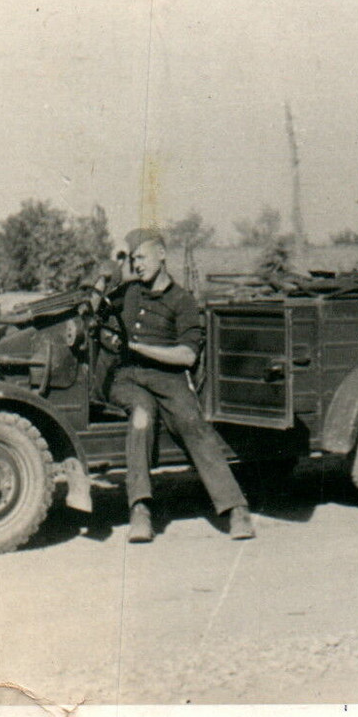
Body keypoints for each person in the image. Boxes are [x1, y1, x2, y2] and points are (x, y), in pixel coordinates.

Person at [103, 228, 254, 543]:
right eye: (133, 259)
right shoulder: (129, 292)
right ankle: (140, 510)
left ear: (161, 255)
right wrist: (113, 270)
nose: (137, 265)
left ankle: (235, 509)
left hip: (169, 379)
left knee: (192, 422)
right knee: (142, 415)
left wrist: (138, 347)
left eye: (141, 257)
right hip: (128, 378)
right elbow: (98, 301)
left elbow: (187, 355)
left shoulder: (182, 300)